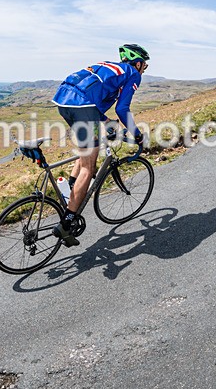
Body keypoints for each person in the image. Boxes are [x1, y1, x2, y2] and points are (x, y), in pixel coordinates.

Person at [50, 43, 149, 247]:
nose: (144, 70)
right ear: (138, 63)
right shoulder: (133, 73)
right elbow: (123, 108)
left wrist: (107, 123)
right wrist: (137, 135)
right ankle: (67, 223)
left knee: (87, 150)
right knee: (89, 167)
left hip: (64, 101)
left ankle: (71, 188)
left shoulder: (110, 66)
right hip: (83, 108)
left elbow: (95, 100)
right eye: (145, 66)